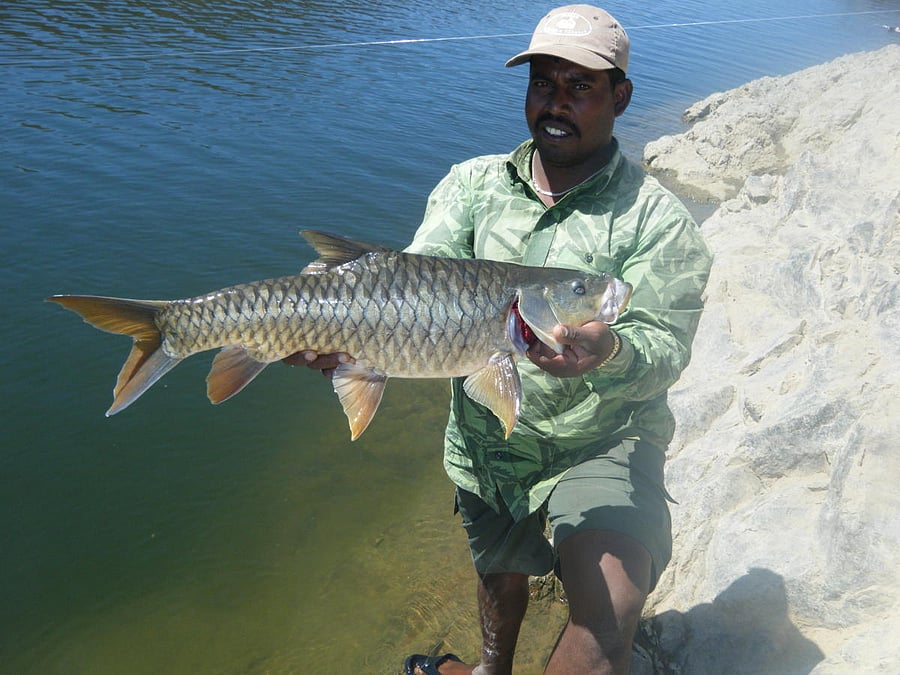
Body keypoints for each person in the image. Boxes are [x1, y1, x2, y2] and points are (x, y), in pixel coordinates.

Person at [288, 5, 712, 673]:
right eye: (545, 83)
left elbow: (666, 348)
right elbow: (411, 282)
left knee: (607, 618)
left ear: (621, 97)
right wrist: (341, 328)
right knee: (499, 572)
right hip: (489, 437)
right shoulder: (472, 185)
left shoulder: (657, 220)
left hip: (604, 437)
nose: (557, 103)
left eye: (581, 87)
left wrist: (609, 352)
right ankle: (491, 664)